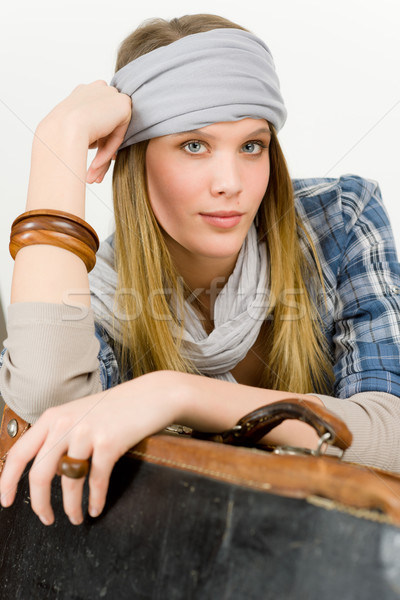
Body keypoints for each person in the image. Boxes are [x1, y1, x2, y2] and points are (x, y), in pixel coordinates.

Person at [0, 14, 400, 527]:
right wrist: (57, 143)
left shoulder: (339, 220)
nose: (230, 183)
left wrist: (177, 394)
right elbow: (45, 416)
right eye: (194, 145)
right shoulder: (90, 292)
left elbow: (390, 436)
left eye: (251, 145)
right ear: (136, 157)